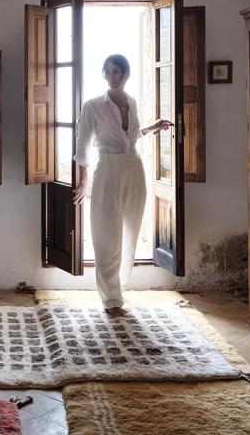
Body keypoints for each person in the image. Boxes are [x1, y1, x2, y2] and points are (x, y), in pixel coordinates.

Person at [72, 54, 172, 318]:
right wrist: (84, 180)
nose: (113, 76)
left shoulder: (131, 102)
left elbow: (132, 136)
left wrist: (154, 126)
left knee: (130, 229)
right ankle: (111, 299)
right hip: (108, 168)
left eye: (118, 72)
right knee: (106, 234)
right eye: (108, 72)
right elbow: (82, 145)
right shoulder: (93, 106)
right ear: (104, 75)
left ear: (126, 75)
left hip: (134, 168)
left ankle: (119, 289)